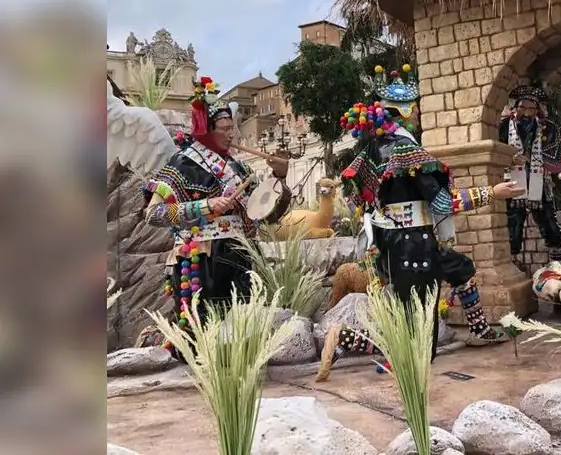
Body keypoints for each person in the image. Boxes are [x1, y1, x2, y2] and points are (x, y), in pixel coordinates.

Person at [315, 65, 525, 382]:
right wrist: (491, 192)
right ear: (405, 112)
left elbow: (362, 202)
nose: (417, 115)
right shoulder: (408, 152)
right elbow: (442, 203)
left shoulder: (369, 152)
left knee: (460, 269)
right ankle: (344, 339)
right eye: (415, 109)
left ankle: (479, 329)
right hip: (415, 247)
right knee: (419, 347)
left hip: (390, 246)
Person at [135, 76, 288, 355]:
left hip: (241, 256)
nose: (232, 135)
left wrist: (279, 178)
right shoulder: (181, 164)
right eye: (225, 129)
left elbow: (266, 215)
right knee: (203, 340)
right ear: (206, 130)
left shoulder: (238, 168)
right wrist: (205, 206)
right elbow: (153, 214)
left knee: (245, 335)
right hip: (202, 261)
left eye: (233, 128)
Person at [498, 83, 561, 271]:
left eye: (531, 107)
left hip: (540, 183)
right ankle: (512, 264)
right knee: (513, 225)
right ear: (515, 107)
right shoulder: (501, 128)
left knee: (549, 223)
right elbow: (492, 153)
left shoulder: (549, 129)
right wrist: (509, 160)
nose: (527, 112)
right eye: (523, 107)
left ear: (538, 109)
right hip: (511, 184)